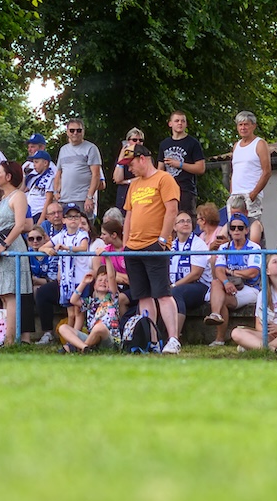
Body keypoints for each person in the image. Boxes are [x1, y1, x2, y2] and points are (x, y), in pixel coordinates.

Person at [120, 144, 184, 352]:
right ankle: (153, 340)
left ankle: (173, 339)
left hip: (154, 245)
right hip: (134, 247)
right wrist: (125, 244)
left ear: (142, 158)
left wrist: (162, 239)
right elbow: (129, 215)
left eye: (131, 164)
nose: (129, 169)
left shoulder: (164, 179)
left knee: (163, 294)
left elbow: (171, 210)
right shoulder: (134, 184)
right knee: (143, 296)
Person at [0, 161, 33, 345]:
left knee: (11, 293)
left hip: (11, 249)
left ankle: (11, 340)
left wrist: (3, 245)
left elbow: (21, 225)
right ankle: (6, 337)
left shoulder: (18, 196)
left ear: (9, 176)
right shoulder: (2, 199)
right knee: (4, 294)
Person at [228, 255, 277, 354]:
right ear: (267, 271)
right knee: (236, 333)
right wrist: (269, 332)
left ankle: (261, 347)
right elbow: (258, 324)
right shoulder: (263, 294)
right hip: (270, 334)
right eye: (275, 262)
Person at [209, 215, 263, 346]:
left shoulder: (254, 248)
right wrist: (226, 282)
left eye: (240, 227)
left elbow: (252, 272)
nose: (236, 231)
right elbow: (219, 270)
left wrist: (231, 272)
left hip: (251, 287)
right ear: (230, 231)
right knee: (216, 283)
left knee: (220, 299)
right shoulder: (224, 248)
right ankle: (215, 315)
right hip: (230, 285)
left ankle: (219, 338)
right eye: (233, 228)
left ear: (246, 230)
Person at [227, 111, 274, 242]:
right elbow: (234, 171)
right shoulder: (236, 145)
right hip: (235, 196)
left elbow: (267, 171)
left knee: (253, 229)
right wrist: (232, 193)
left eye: (246, 124)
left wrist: (253, 194)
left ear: (253, 126)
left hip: (250, 194)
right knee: (234, 230)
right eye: (240, 125)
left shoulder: (259, 144)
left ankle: (257, 257)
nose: (243, 128)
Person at [164, 210, 212, 329]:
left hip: (200, 286)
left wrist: (174, 285)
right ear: (174, 227)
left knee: (176, 293)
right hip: (177, 284)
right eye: (182, 221)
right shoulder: (172, 246)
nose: (186, 224)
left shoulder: (198, 244)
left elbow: (196, 274)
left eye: (188, 221)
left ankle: (175, 336)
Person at [57, 267, 123, 353]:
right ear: (94, 285)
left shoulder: (113, 298)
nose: (103, 282)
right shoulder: (91, 302)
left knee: (99, 327)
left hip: (109, 339)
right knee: (63, 328)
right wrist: (84, 283)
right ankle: (85, 348)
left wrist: (106, 257)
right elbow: (73, 300)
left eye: (106, 281)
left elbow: (111, 276)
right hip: (92, 338)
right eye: (100, 280)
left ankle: (76, 348)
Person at [158, 111, 208, 215]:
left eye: (183, 121)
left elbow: (201, 168)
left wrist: (180, 164)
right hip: (167, 191)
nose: (180, 123)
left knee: (185, 222)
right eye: (177, 121)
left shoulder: (193, 143)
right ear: (170, 123)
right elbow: (160, 170)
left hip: (186, 191)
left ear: (186, 124)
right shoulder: (164, 144)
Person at [52, 119, 104, 218]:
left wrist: (89, 197)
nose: (75, 133)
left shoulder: (91, 148)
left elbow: (96, 175)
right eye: (72, 130)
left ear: (83, 131)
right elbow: (59, 173)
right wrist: (55, 192)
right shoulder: (63, 150)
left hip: (82, 199)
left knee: (84, 228)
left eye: (78, 130)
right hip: (64, 199)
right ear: (67, 132)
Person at [24, 146, 55, 219]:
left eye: (36, 162)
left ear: (45, 163)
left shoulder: (50, 177)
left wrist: (41, 219)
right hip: (30, 212)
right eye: (33, 162)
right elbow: (24, 189)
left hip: (39, 212)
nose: (34, 164)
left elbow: (49, 198)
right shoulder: (35, 177)